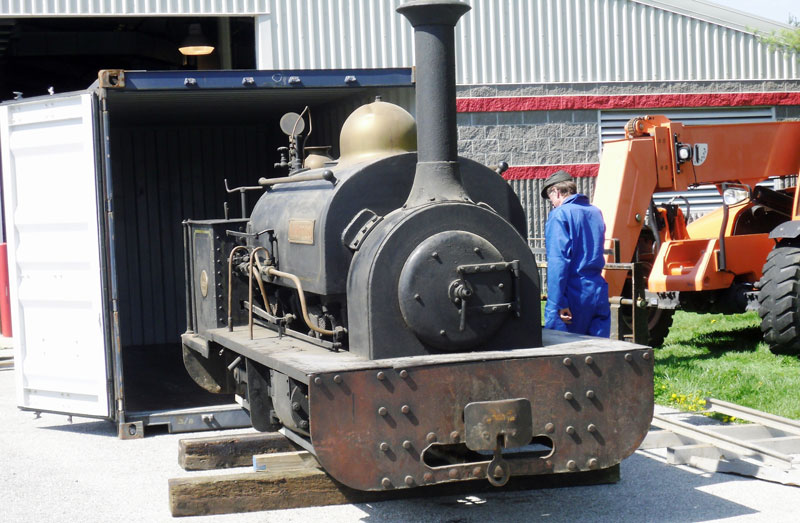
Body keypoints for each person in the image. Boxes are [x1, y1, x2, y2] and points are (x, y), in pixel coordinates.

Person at [541, 170, 610, 336]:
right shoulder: (595, 212)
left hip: (573, 294)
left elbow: (558, 262)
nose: (552, 204)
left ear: (556, 192)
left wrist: (557, 302)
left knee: (561, 350)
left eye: (550, 199)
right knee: (600, 351)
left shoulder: (560, 215)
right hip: (597, 289)